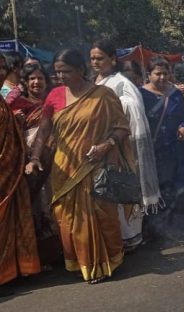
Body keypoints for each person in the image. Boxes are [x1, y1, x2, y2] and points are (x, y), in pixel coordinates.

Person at [25, 49, 131, 284]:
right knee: (68, 218)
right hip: (64, 168)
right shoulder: (54, 96)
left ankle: (108, 261)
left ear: (81, 70)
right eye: (57, 72)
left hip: (96, 165)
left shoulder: (103, 95)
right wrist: (34, 158)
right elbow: (44, 130)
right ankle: (79, 262)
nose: (60, 76)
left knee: (102, 214)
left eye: (66, 72)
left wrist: (106, 145)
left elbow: (122, 127)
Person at [91, 39, 161, 251]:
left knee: (121, 191)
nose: (95, 62)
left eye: (100, 58)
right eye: (92, 58)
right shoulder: (95, 82)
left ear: (112, 59)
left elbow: (134, 113)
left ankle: (130, 239)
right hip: (98, 146)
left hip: (121, 147)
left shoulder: (122, 83)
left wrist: (113, 111)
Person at [139, 56, 184, 237]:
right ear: (149, 75)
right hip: (153, 151)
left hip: (176, 150)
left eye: (165, 73)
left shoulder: (175, 94)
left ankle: (180, 228)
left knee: (179, 188)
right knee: (158, 189)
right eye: (157, 74)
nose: (162, 78)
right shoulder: (141, 95)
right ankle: (157, 231)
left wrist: (183, 127)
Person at [11, 64, 59, 265]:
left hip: (55, 161)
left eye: (40, 78)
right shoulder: (17, 104)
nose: (36, 82)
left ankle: (60, 251)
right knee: (36, 205)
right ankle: (41, 256)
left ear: (47, 81)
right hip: (31, 162)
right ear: (25, 83)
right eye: (32, 79)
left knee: (53, 202)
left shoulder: (54, 102)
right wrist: (17, 121)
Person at [0, 82, 40, 288]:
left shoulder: (3, 103)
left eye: (2, 68)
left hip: (12, 173)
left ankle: (17, 270)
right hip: (5, 171)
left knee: (15, 221)